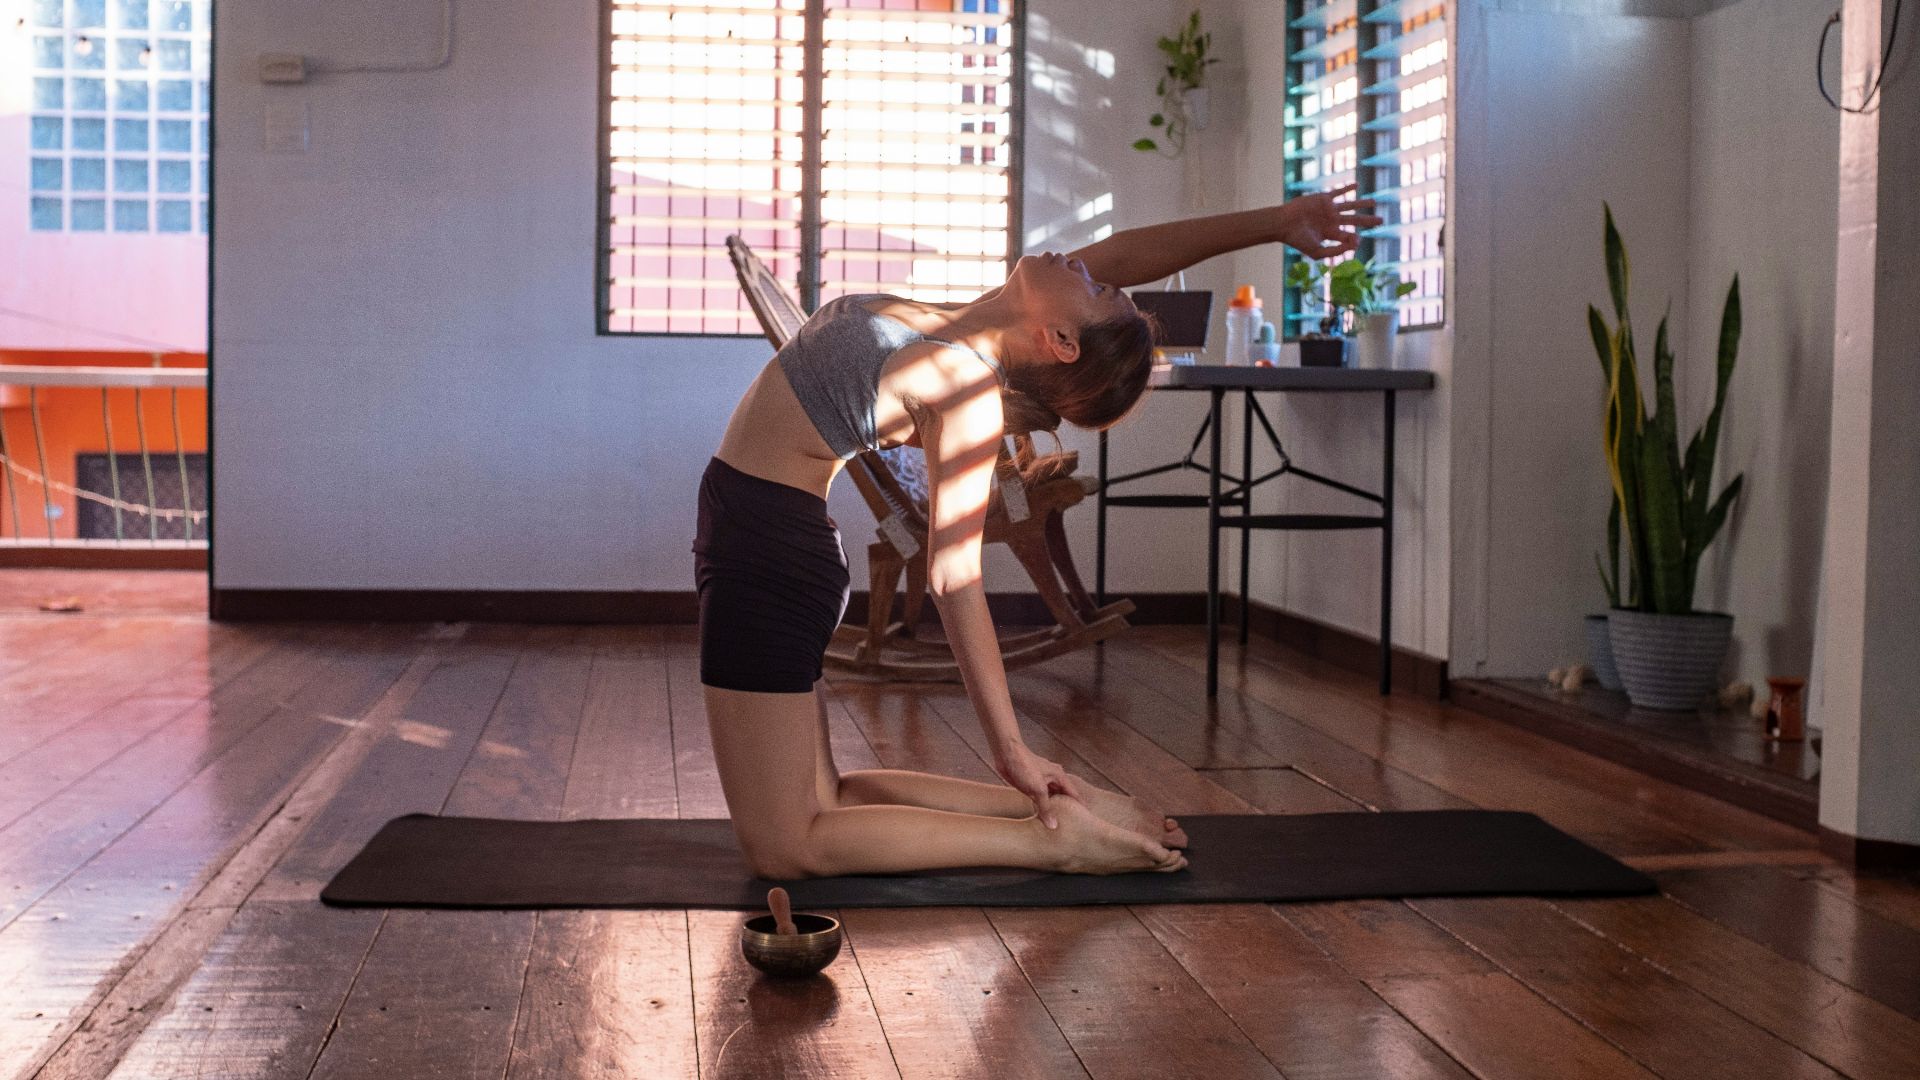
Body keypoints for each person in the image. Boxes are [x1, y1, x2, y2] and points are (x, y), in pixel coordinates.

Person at [694, 187, 1381, 878]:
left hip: (768, 553)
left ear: (1058, 339)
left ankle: (1050, 842)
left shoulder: (961, 387)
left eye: (1096, 287)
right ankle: (1055, 809)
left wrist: (1011, 745)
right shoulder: (961, 326)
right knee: (826, 799)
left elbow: (953, 576)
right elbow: (1131, 250)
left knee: (787, 847)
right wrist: (1274, 221)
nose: (1089, 266)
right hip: (762, 535)